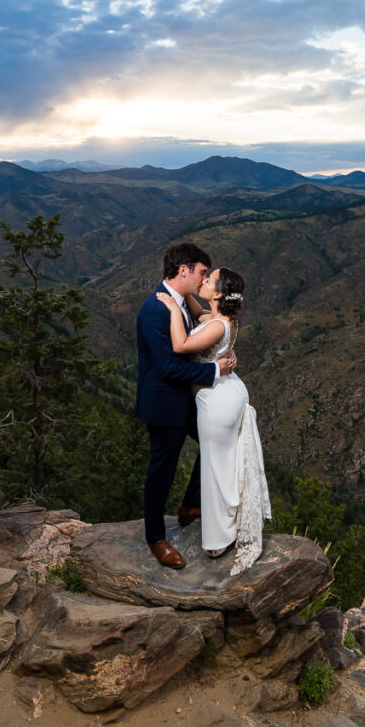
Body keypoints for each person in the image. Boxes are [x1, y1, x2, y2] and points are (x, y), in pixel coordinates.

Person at [157, 266, 271, 574]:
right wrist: (186, 293)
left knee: (215, 467)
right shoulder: (221, 319)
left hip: (216, 400)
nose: (203, 281)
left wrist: (170, 308)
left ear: (219, 294)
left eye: (208, 280)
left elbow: (181, 346)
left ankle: (218, 539)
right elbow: (199, 312)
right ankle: (226, 526)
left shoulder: (216, 325)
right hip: (228, 392)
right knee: (222, 464)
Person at [136, 242, 236, 569]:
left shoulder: (181, 302)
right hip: (165, 405)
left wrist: (223, 348)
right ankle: (155, 537)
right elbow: (167, 367)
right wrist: (214, 369)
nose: (204, 278)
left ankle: (191, 505)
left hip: (186, 399)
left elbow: (207, 327)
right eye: (202, 272)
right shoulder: (154, 310)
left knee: (214, 442)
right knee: (161, 472)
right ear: (184, 271)